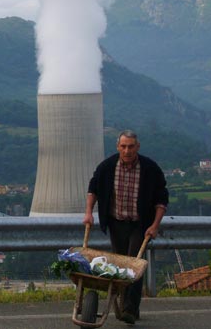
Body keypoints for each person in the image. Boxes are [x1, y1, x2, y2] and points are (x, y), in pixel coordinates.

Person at [83, 130, 168, 325]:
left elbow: (162, 198)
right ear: (118, 147)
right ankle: (125, 304)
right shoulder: (108, 167)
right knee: (121, 265)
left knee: (134, 264)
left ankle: (130, 308)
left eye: (131, 146)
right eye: (123, 146)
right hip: (116, 222)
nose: (127, 150)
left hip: (140, 224)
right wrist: (88, 212)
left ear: (137, 147)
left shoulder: (150, 169)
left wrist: (155, 225)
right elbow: (93, 188)